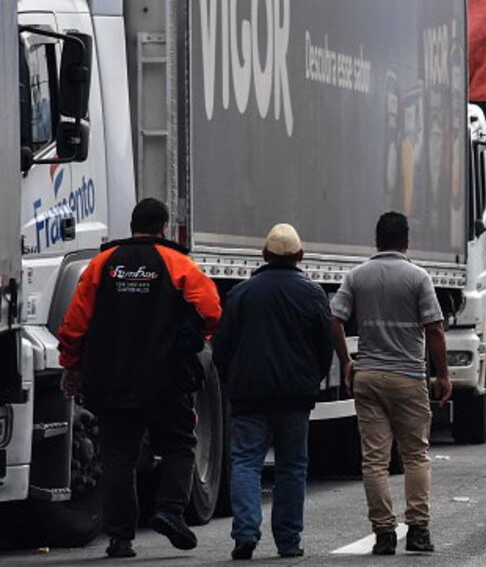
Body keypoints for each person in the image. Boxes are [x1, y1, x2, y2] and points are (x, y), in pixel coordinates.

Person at [57, 198, 221, 559]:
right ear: (163, 227)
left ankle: (120, 538)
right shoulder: (177, 263)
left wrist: (71, 365)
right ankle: (169, 509)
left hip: (111, 378)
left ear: (132, 226)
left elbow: (74, 324)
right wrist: (196, 335)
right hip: (165, 378)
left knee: (118, 457)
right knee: (179, 444)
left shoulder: (102, 264)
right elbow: (210, 307)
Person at [331, 212, 452, 556]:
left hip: (367, 376)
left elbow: (335, 318)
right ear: (406, 241)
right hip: (408, 377)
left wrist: (345, 360)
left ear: (377, 240)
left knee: (374, 460)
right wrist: (442, 374)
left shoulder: (357, 276)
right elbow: (434, 329)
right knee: (415, 455)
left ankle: (384, 533)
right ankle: (417, 531)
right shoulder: (418, 277)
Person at [212, 223, 333, 560]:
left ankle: (246, 534)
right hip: (295, 395)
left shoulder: (242, 293)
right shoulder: (312, 293)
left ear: (263, 255)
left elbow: (223, 345)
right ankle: (288, 541)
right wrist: (313, 379)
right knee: (292, 466)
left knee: (246, 462)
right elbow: (324, 347)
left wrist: (230, 379)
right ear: (300, 255)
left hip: (250, 394)